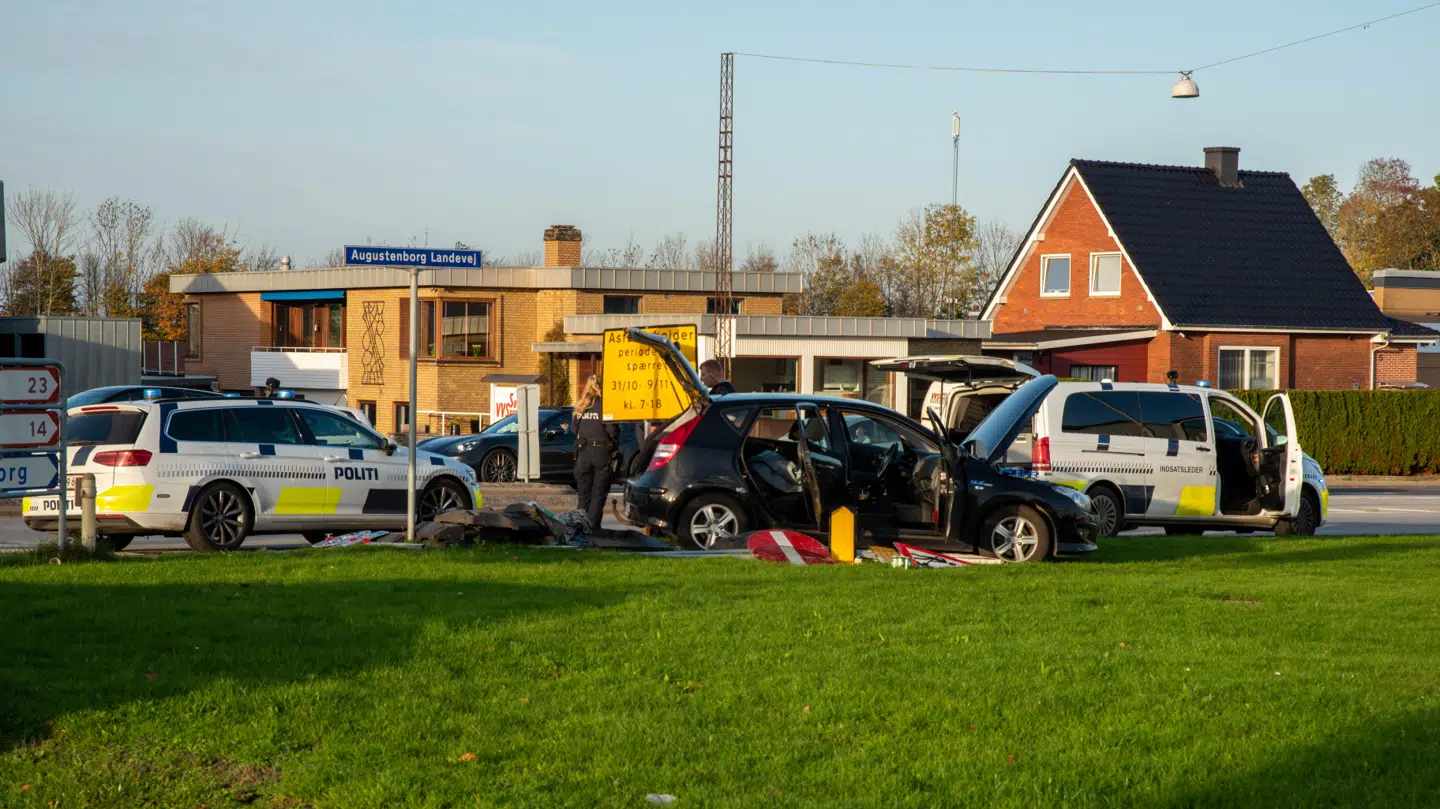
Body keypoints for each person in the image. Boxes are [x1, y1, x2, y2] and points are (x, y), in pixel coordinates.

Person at [572, 375, 618, 530]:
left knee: (583, 494)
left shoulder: (580, 407)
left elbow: (574, 429)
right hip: (601, 452)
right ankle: (593, 528)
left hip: (583, 453)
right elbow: (612, 430)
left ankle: (580, 527)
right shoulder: (604, 406)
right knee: (598, 493)